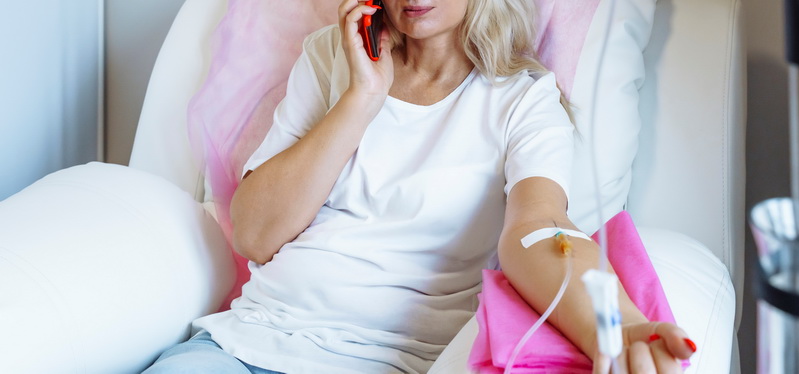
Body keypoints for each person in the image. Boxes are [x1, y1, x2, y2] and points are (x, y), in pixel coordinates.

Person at [144, 0, 696, 373]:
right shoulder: (331, 58)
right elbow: (255, 234)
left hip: (389, 361)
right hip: (243, 345)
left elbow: (542, 232)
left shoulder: (524, 100)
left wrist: (617, 325)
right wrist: (363, 96)